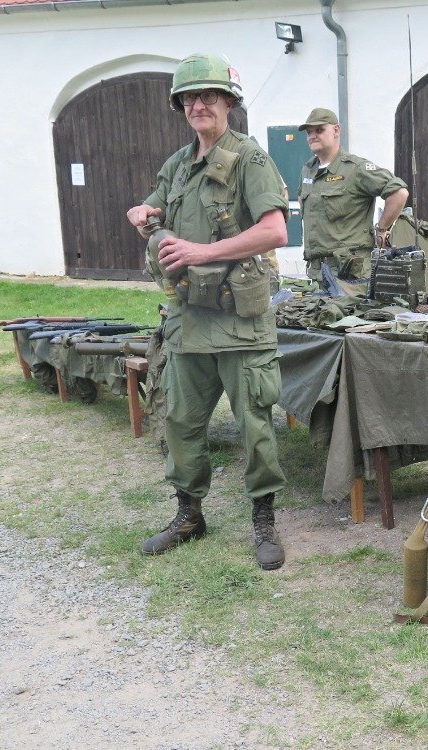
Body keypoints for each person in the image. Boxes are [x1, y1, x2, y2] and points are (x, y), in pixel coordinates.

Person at [125, 53, 289, 570]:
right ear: (181, 106)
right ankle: (189, 515)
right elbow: (154, 204)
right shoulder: (179, 163)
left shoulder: (251, 159)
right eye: (190, 99)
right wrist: (143, 212)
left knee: (256, 426)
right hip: (190, 319)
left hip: (240, 319)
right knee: (180, 421)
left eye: (209, 97)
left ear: (228, 104)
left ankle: (264, 520)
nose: (199, 105)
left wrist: (201, 252)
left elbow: (275, 231)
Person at [298, 108, 410, 280]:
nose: (312, 136)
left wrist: (382, 229)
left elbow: (399, 192)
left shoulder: (355, 169)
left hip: (349, 272)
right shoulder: (308, 170)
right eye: (309, 132)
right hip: (317, 271)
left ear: (336, 130)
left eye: (319, 130)